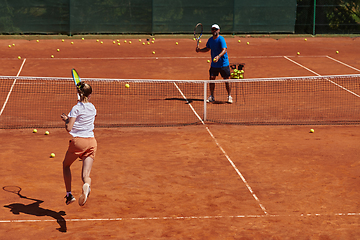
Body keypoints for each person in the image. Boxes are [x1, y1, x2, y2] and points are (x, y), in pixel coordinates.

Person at [60, 82, 97, 206]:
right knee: (86, 175)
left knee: (66, 165)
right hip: (92, 142)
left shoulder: (76, 108)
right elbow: (83, 122)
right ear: (90, 95)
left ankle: (69, 195)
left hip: (79, 142)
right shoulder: (93, 108)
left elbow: (69, 128)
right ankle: (86, 185)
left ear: (78, 93)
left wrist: (66, 121)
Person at [196, 24, 232, 103]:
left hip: (223, 64)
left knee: (227, 80)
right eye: (213, 29)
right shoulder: (210, 40)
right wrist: (200, 50)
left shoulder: (221, 39)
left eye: (216, 29)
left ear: (219, 30)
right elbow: (207, 48)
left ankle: (229, 96)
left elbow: (224, 50)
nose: (214, 30)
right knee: (212, 79)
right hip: (214, 64)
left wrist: (218, 56)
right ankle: (212, 96)